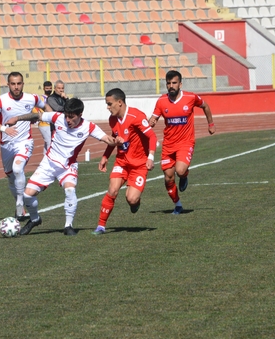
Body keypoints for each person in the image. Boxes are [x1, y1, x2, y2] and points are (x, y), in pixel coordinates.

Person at [4, 98, 119, 236]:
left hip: (68, 166)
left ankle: (68, 226)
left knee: (70, 189)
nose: (68, 120)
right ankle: (35, 219)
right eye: (66, 116)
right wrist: (17, 118)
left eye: (72, 117)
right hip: (49, 163)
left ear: (80, 115)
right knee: (27, 196)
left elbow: (107, 139)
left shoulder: (88, 127)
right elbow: (38, 115)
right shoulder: (58, 117)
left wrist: (116, 141)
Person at [149, 70, 216, 215]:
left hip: (186, 142)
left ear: (180, 84)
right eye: (168, 83)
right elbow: (153, 117)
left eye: (174, 83)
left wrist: (210, 124)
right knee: (168, 178)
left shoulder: (190, 97)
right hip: (168, 145)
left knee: (179, 170)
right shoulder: (161, 101)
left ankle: (184, 176)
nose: (171, 86)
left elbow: (205, 106)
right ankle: (177, 204)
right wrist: (152, 121)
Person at [92, 88, 158, 235]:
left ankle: (136, 202)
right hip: (122, 161)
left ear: (119, 102)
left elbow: (152, 137)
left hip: (139, 165)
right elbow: (114, 139)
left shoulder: (136, 116)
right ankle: (101, 226)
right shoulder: (112, 120)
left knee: (132, 199)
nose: (107, 107)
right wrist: (105, 157)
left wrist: (150, 157)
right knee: (112, 190)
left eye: (110, 104)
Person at [0, 72, 46, 220]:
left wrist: (43, 117)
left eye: (19, 83)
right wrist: (4, 129)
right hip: (6, 144)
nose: (16, 87)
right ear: (8, 85)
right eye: (13, 84)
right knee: (11, 177)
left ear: (23, 84)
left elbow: (46, 105)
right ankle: (19, 205)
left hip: (25, 142)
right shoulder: (0, 101)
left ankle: (20, 204)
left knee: (18, 168)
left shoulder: (31, 98)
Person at [36, 80, 53, 154]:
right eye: (47, 88)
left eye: (50, 88)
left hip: (51, 123)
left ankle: (45, 158)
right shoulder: (41, 99)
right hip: (43, 123)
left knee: (48, 142)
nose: (49, 90)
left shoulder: (53, 98)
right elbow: (35, 108)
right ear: (43, 88)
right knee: (49, 141)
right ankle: (50, 158)